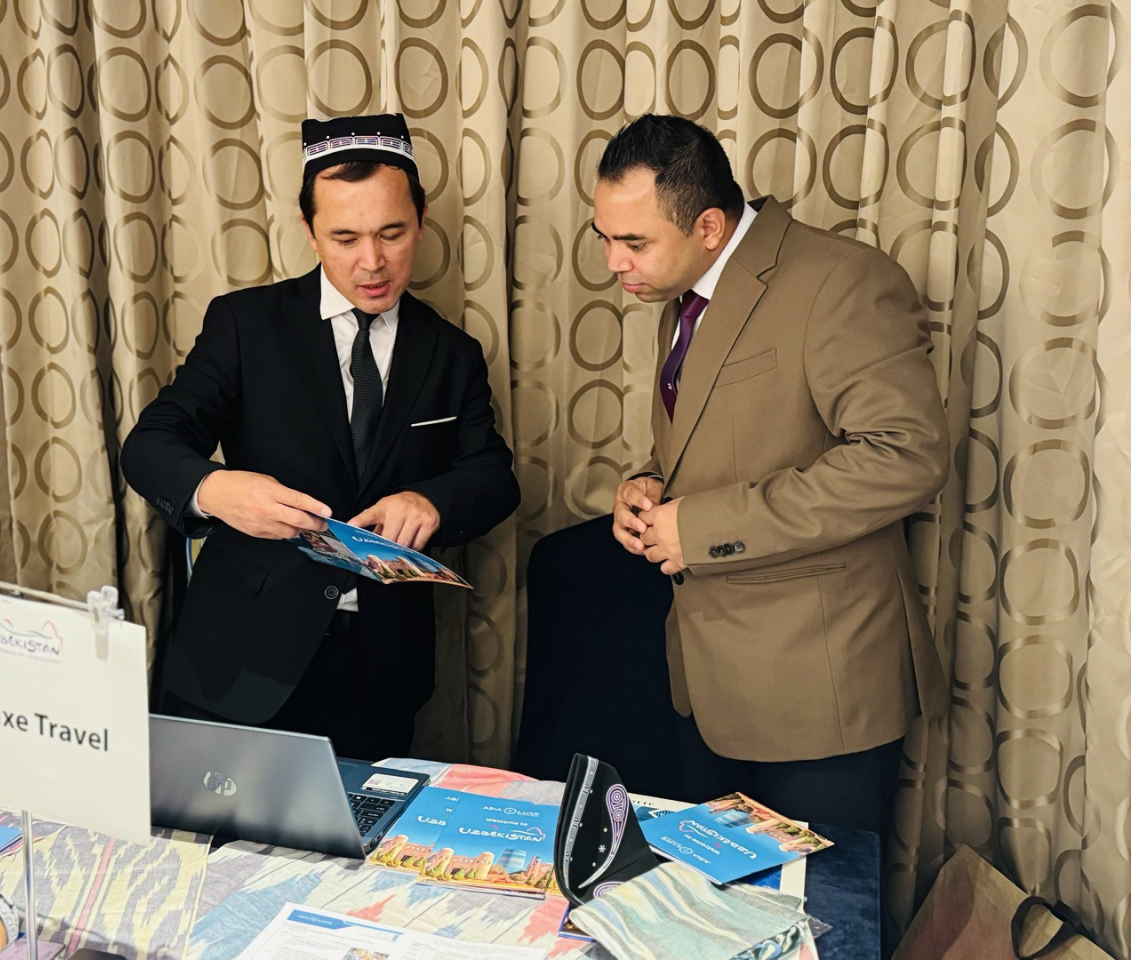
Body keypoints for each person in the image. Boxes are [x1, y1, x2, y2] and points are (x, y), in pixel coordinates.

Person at [121, 113, 519, 761]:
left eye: (392, 233)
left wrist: (433, 501)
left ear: (421, 220)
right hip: (239, 662)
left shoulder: (453, 352)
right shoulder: (244, 326)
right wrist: (215, 489)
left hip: (381, 673)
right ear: (308, 233)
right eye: (345, 237)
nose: (372, 262)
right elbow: (149, 444)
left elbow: (494, 477)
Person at [595, 115, 950, 835]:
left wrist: (697, 526)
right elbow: (727, 439)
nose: (613, 263)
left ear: (710, 227)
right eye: (604, 237)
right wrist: (651, 485)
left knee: (822, 932)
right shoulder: (682, 295)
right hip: (709, 683)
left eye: (633, 242)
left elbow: (906, 454)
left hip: (820, 696)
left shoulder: (841, 282)